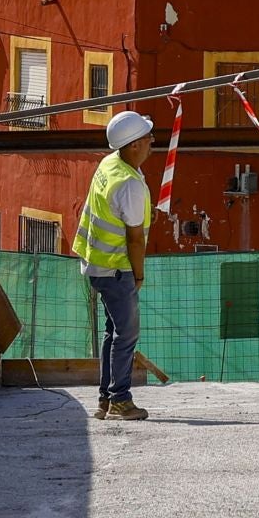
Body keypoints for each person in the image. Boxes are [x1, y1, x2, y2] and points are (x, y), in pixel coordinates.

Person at [71, 109, 154, 422]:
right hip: (116, 269)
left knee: (112, 332)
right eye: (147, 138)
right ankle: (120, 399)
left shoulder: (110, 164)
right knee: (127, 335)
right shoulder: (130, 184)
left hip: (95, 263)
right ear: (133, 145)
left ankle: (106, 398)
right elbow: (135, 239)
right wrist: (139, 274)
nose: (151, 143)